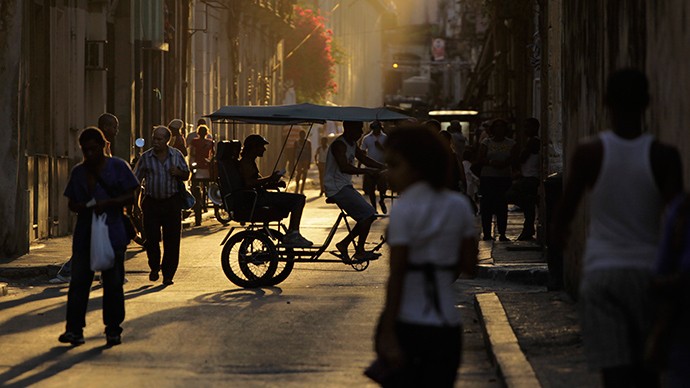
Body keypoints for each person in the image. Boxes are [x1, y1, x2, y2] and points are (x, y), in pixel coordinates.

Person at [553, 69, 683, 388]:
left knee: (614, 372)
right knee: (648, 371)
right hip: (647, 273)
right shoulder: (664, 156)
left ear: (606, 101)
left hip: (602, 275)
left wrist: (560, 255)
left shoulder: (589, 152)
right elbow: (680, 222)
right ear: (648, 103)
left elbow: (562, 219)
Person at [371, 125, 478, 387]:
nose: (389, 174)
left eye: (395, 165)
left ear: (417, 166)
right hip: (447, 326)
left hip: (409, 322)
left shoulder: (404, 210)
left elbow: (397, 276)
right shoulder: (459, 206)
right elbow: (470, 266)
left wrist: (387, 333)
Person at [58, 127, 139, 346]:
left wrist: (107, 204)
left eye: (93, 149)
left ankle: (113, 329)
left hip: (112, 231)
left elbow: (131, 196)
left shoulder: (118, 167)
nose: (90, 154)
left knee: (113, 283)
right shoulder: (79, 172)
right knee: (79, 283)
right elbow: (71, 202)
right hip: (85, 232)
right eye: (85, 151)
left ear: (102, 146)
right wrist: (85, 206)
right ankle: (74, 330)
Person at [50, 113, 122, 285]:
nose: (116, 130)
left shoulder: (106, 145)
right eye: (114, 126)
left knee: (103, 239)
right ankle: (68, 271)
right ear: (105, 127)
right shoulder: (94, 144)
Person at [134, 126, 191, 286]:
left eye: (159, 139)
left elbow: (186, 174)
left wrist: (178, 173)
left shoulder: (176, 155)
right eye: (154, 138)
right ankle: (154, 266)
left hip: (171, 202)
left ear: (167, 140)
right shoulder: (146, 158)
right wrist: (136, 205)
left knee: (172, 241)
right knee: (151, 238)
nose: (156, 142)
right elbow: (136, 182)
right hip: (151, 203)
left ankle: (168, 275)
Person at [325, 121, 385, 262]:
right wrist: (366, 171)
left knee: (369, 216)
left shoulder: (352, 144)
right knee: (368, 214)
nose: (360, 133)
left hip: (345, 186)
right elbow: (344, 167)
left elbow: (364, 159)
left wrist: (383, 167)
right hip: (336, 188)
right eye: (358, 129)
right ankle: (359, 251)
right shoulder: (339, 145)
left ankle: (345, 244)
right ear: (348, 128)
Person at [239, 134, 312, 247]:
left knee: (295, 199)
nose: (264, 149)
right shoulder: (245, 162)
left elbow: (258, 182)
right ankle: (293, 234)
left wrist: (274, 183)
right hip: (257, 199)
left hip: (260, 196)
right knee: (299, 199)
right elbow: (250, 183)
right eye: (261, 146)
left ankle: (292, 232)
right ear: (253, 147)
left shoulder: (250, 161)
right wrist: (270, 178)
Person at [477, 119, 517, 241]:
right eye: (497, 127)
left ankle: (502, 233)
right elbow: (480, 158)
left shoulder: (511, 143)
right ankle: (487, 233)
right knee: (487, 206)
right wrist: (491, 162)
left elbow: (514, 158)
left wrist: (505, 163)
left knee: (502, 206)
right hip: (488, 178)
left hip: (504, 178)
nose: (499, 130)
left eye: (502, 127)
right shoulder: (486, 142)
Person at [513, 118, 541, 241]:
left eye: (527, 127)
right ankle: (528, 228)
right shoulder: (531, 141)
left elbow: (522, 157)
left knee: (527, 203)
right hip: (528, 176)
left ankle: (528, 228)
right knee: (527, 204)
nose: (525, 130)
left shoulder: (533, 142)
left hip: (531, 177)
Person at [361, 121, 389, 213]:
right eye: (375, 129)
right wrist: (360, 163)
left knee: (382, 188)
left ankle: (382, 201)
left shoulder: (385, 138)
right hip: (370, 168)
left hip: (382, 167)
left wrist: (381, 148)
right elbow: (363, 152)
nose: (376, 130)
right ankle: (374, 208)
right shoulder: (367, 138)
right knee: (371, 189)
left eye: (378, 128)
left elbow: (390, 152)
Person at [293, 129, 312, 194]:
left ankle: (302, 189)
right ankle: (297, 186)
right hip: (299, 160)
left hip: (305, 160)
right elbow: (294, 152)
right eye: (301, 135)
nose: (302, 136)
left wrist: (309, 162)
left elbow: (310, 153)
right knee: (298, 174)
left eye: (303, 135)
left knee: (304, 174)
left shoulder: (308, 143)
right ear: (299, 135)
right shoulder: (296, 142)